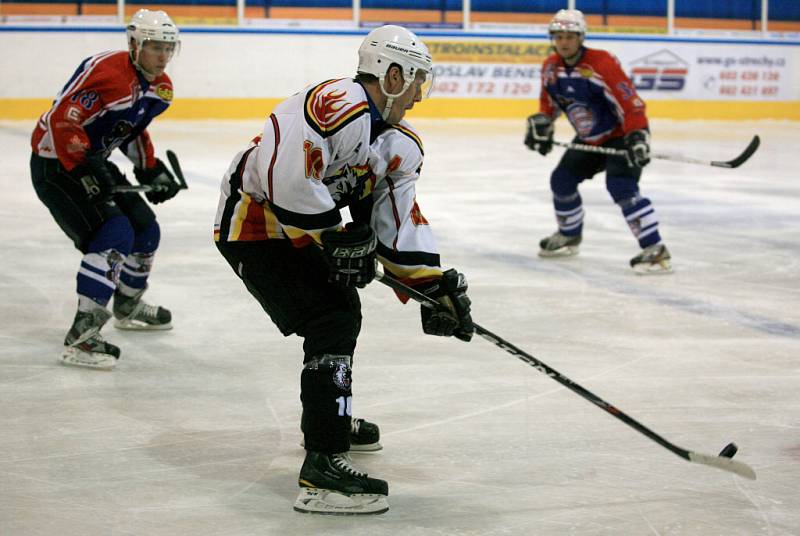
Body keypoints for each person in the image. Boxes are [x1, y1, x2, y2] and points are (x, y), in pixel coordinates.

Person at [214, 25, 474, 515]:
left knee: (339, 314)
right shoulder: (338, 103)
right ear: (391, 74)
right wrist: (335, 237)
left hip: (300, 229)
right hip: (253, 225)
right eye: (417, 80)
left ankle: (329, 415)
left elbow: (395, 224)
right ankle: (321, 469)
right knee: (331, 316)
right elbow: (283, 180)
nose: (420, 95)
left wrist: (430, 285)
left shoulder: (399, 145)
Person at [30, 9, 184, 370]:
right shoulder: (105, 70)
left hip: (94, 160)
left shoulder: (161, 88)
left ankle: (127, 306)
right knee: (114, 233)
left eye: (168, 48)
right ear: (134, 44)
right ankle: (82, 338)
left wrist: (151, 169)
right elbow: (60, 119)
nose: (162, 56)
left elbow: (130, 129)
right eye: (155, 47)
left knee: (146, 229)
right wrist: (85, 166)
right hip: (58, 164)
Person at [525, 9, 672, 273]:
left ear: (581, 37)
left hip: (621, 137)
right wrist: (542, 125)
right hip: (589, 139)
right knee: (562, 180)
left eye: (570, 36)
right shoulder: (550, 68)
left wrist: (637, 136)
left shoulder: (601, 63)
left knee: (621, 186)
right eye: (558, 36)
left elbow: (631, 103)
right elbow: (549, 105)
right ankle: (570, 234)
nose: (564, 42)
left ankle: (655, 249)